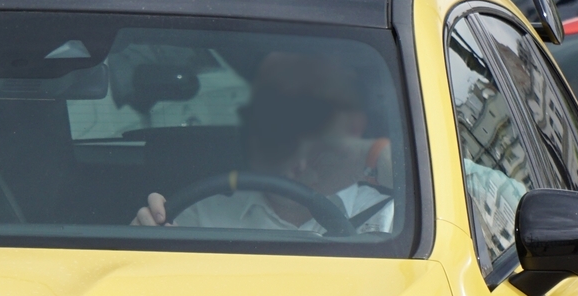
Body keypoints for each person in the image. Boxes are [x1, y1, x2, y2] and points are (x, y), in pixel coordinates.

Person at [132, 54, 393, 235]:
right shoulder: (203, 214)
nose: (297, 161)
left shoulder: (387, 217)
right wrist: (142, 239)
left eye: (314, 139)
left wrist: (373, 153)